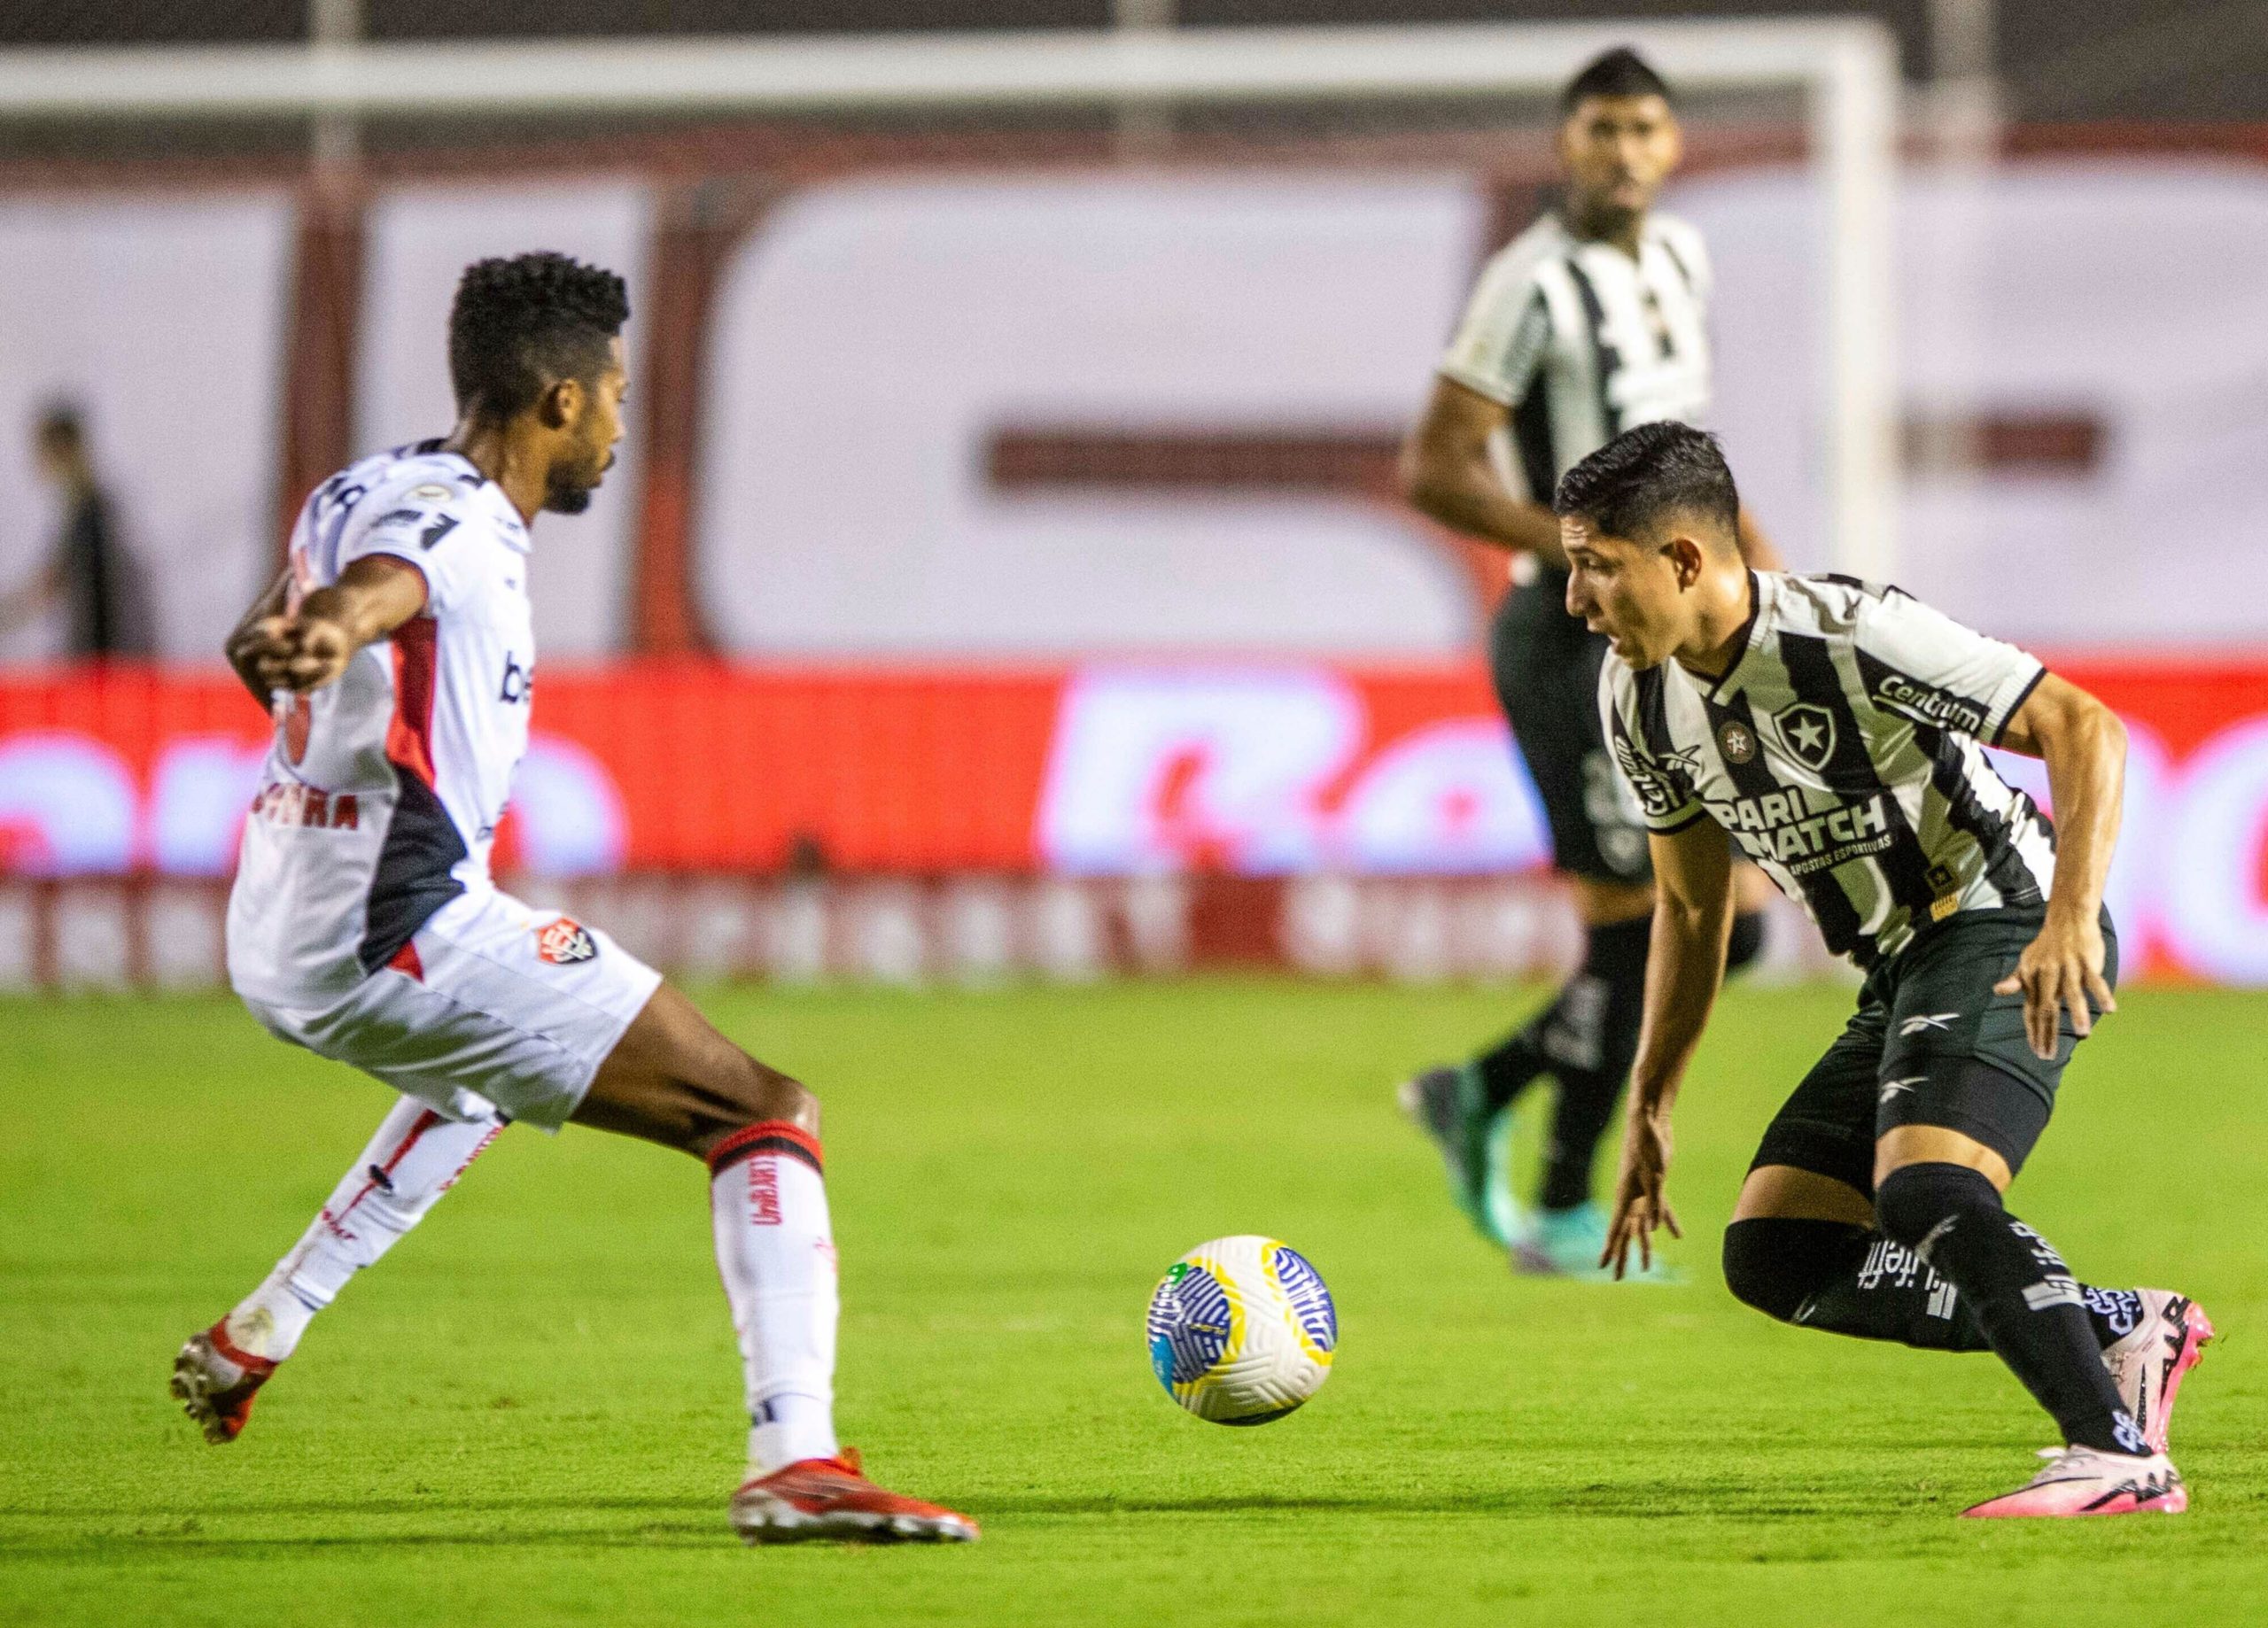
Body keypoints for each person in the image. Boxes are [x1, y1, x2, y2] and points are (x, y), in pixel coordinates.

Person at [172, 252, 976, 1545]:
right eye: (610, 396)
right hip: (396, 932)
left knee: (483, 1073)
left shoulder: (363, 480)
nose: (616, 424)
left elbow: (261, 635)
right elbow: (375, 594)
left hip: (280, 928)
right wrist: (331, 634)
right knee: (762, 1110)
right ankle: (798, 1456)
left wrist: (308, 666)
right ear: (555, 401)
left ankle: (260, 1327)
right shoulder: (453, 527)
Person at [1573, 420, 2210, 1517]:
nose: (1577, 599)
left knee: (1926, 1187)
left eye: (1595, 565)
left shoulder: (1853, 633)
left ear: (1681, 559)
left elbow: (2080, 724)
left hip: (2003, 916)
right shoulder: (1638, 695)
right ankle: (2115, 1326)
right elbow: (1688, 901)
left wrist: (2064, 920)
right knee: (1776, 1249)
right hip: (1901, 968)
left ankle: (2116, 1458)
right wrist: (1651, 1097)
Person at [1397, 46, 1776, 1276]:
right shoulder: (1529, 284)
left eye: (1645, 129)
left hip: (1676, 625)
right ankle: (1563, 1210)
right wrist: (1591, 551)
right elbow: (1436, 465)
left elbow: (1695, 466)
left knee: (1740, 924)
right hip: (1568, 638)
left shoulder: (1682, 257)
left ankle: (1485, 1086)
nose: (1624, 151)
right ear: (1566, 143)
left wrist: (1760, 584)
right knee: (1637, 922)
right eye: (1602, 128)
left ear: (1672, 145)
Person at [0, 404, 151, 658]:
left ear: (61, 449)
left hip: (104, 659)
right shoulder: (90, 510)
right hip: (107, 655)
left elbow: (55, 584)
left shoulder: (90, 514)